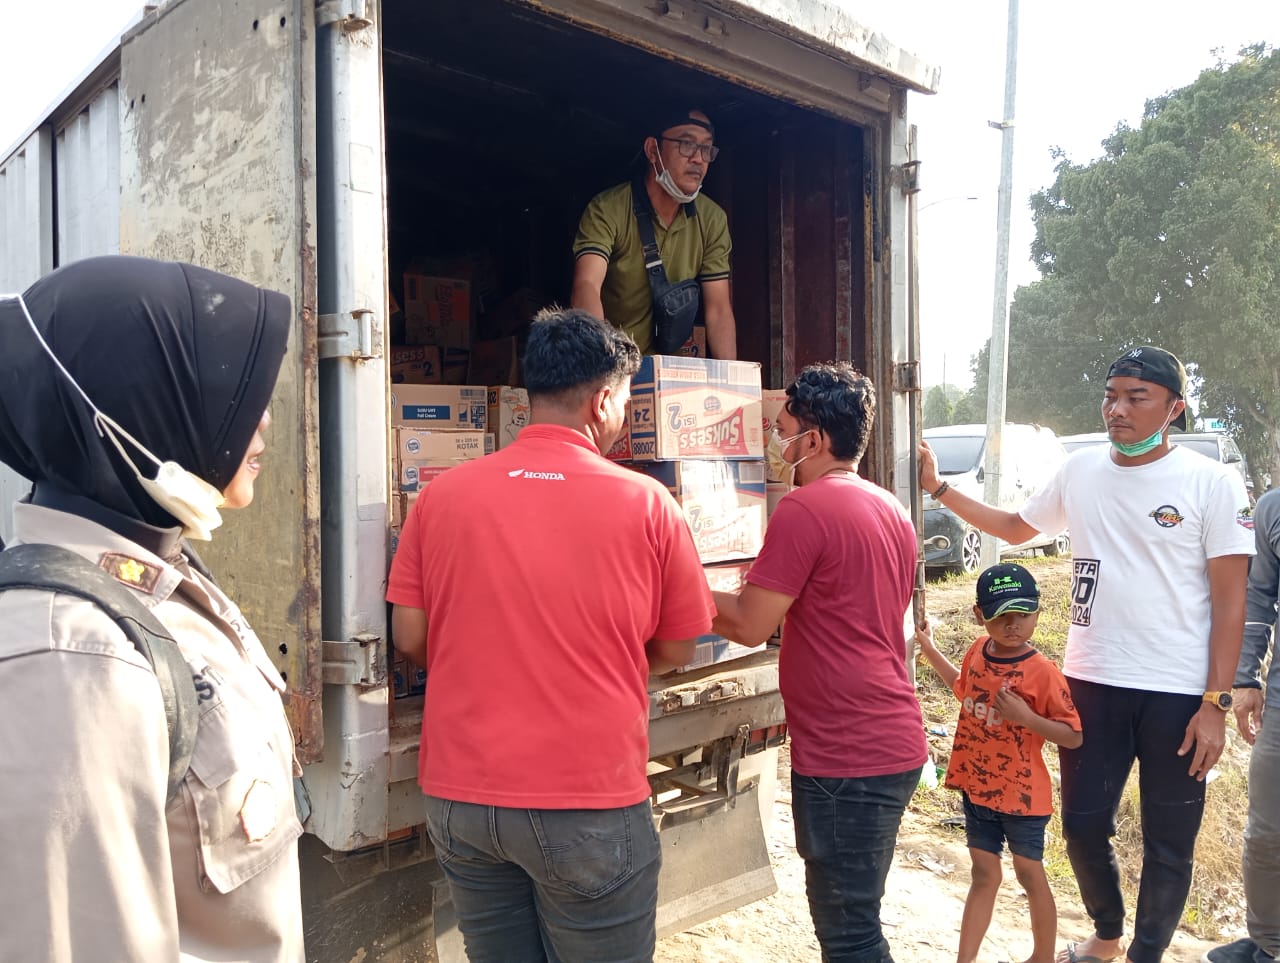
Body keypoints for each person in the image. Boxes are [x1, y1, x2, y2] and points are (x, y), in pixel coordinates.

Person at [385, 307, 714, 962]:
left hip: (462, 799)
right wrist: (606, 663)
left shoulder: (441, 497)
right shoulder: (649, 503)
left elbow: (410, 636)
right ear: (602, 402)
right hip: (587, 798)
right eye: (625, 401)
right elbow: (678, 647)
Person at [0, 256, 301, 961]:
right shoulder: (73, 659)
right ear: (143, 408)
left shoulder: (157, 578)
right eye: (227, 394)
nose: (261, 423)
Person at [918, 345, 1254, 963]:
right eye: (1110, 395)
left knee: (1169, 839)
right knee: (1081, 825)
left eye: (1136, 397)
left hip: (1180, 692)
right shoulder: (1081, 471)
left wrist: (1216, 701)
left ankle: (1145, 954)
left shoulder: (1211, 482)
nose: (1116, 409)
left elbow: (1232, 601)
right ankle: (1106, 934)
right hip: (1092, 680)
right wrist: (939, 488)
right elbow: (1016, 528)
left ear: (1174, 408)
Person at [713, 362, 926, 962]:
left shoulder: (804, 510)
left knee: (851, 937)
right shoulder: (890, 508)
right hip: (889, 741)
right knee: (858, 923)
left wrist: (674, 585)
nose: (777, 445)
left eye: (783, 432)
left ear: (816, 439)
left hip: (846, 756)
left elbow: (750, 624)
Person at [915, 563, 1083, 963]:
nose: (1013, 625)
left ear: (1038, 612)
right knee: (984, 874)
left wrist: (1027, 718)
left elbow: (1073, 735)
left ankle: (1042, 957)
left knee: (1029, 874)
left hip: (1023, 796)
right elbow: (963, 689)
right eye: (1001, 616)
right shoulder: (977, 651)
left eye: (1022, 614)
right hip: (977, 788)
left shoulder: (1042, 672)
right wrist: (930, 649)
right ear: (979, 615)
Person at [571, 107, 738, 359]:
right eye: (686, 144)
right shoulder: (608, 209)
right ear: (652, 150)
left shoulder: (712, 220)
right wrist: (600, 365)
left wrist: (732, 379)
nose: (698, 158)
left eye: (706, 148)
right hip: (614, 362)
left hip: (671, 369)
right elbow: (587, 285)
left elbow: (719, 310)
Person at [1204, 487, 1280, 963]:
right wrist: (1246, 677)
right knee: (1267, 830)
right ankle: (1269, 943)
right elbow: (1259, 598)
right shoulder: (1272, 509)